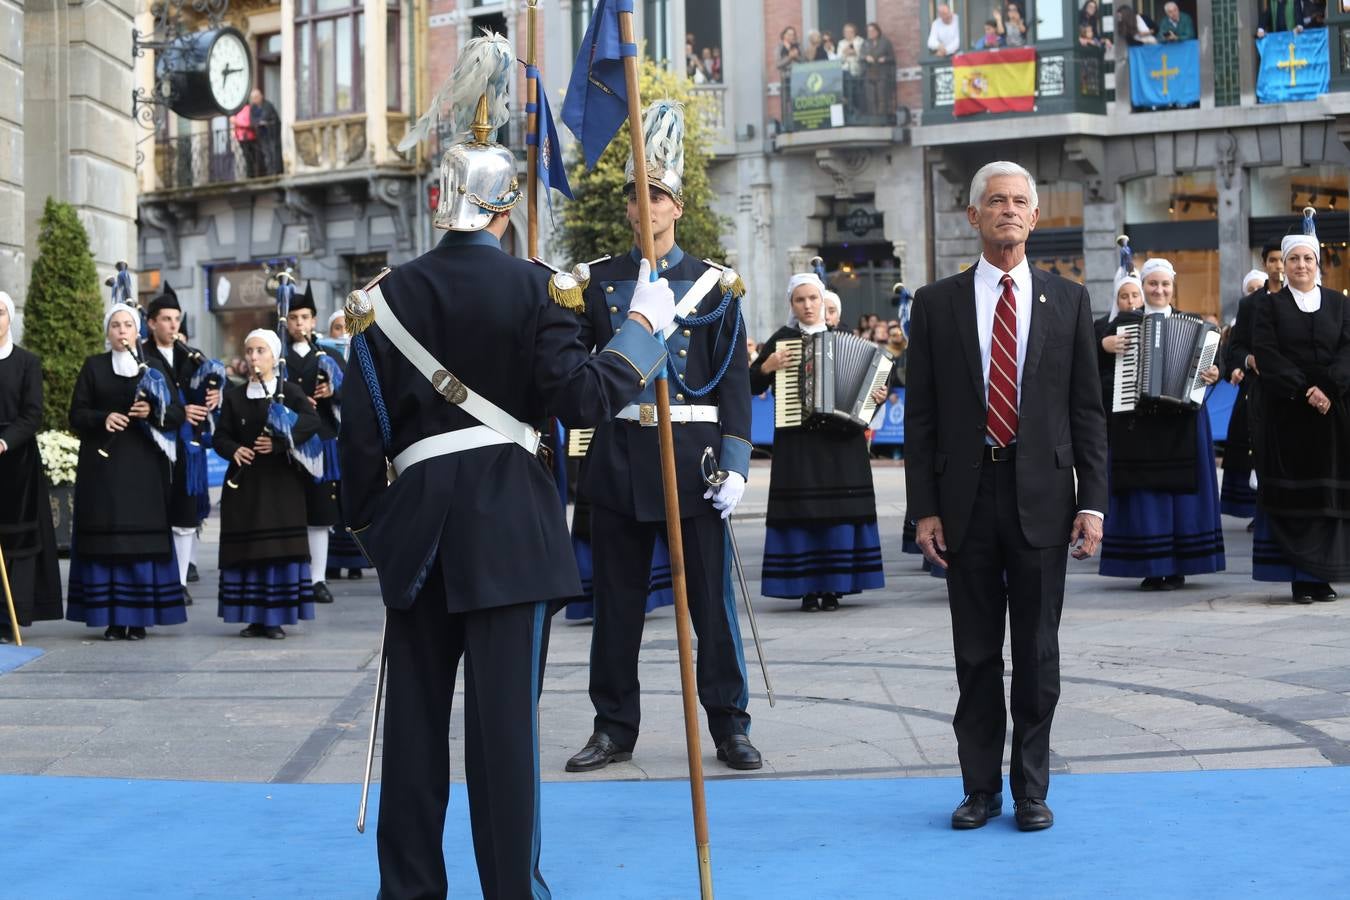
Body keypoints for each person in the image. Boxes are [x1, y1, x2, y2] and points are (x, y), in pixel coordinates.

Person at [338, 34, 674, 899]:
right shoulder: (540, 289)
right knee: (503, 745)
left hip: (416, 540)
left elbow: (359, 444)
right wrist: (642, 331)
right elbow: (583, 401)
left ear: (440, 203)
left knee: (415, 736)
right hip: (512, 542)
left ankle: (409, 890)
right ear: (500, 210)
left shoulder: (380, 301)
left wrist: (382, 529)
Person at [905, 160, 1109, 832]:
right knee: (975, 655)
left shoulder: (1069, 300)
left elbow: (1087, 411)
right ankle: (978, 789)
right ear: (974, 216)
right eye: (996, 201)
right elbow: (923, 416)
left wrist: (1093, 501)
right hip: (966, 498)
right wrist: (923, 507)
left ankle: (1030, 789)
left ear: (1036, 216)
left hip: (1045, 497)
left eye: (1021, 201)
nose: (1009, 211)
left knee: (1038, 653)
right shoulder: (936, 305)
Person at [565, 101, 760, 775]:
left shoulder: (714, 286)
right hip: (619, 460)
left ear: (676, 206)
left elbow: (733, 383)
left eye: (661, 197)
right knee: (614, 608)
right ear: (628, 209)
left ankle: (730, 724)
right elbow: (577, 374)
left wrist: (736, 463)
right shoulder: (596, 284)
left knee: (712, 609)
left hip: (693, 463)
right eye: (639, 197)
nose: (649, 208)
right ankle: (613, 727)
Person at [751, 274, 887, 612]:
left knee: (838, 511)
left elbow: (866, 397)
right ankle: (806, 588)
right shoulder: (782, 340)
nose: (808, 305)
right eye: (801, 300)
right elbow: (750, 386)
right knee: (802, 512)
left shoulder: (844, 338)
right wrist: (767, 366)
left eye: (813, 298)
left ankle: (835, 587)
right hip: (798, 442)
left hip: (842, 443)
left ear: (823, 302)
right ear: (792, 305)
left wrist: (877, 398)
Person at [1098, 258, 1224, 590]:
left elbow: (1213, 363)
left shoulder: (1195, 323)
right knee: (1145, 494)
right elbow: (1093, 370)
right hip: (1139, 425)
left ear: (1173, 287)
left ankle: (1182, 564)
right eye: (1152, 284)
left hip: (1183, 422)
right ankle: (1152, 566)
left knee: (1181, 494)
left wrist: (1214, 372)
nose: (1159, 290)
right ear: (1143, 287)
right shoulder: (1123, 324)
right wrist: (1103, 346)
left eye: (1165, 284)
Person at [66, 304, 188, 640]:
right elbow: (76, 414)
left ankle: (139, 619)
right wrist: (102, 418)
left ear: (138, 332)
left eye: (128, 326)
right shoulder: (94, 367)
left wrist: (152, 410)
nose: (122, 332)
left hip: (143, 468)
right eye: (116, 326)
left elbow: (178, 413)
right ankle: (113, 619)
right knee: (107, 545)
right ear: (108, 332)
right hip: (102, 467)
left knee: (140, 543)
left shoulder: (153, 369)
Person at [1250, 230, 1350, 601]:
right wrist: (1305, 389)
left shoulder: (1339, 304)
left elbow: (1347, 350)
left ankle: (1324, 575)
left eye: (1308, 259)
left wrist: (1330, 388)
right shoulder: (1269, 306)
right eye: (1294, 259)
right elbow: (1267, 353)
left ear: (1317, 263)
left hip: (1333, 413)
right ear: (1283, 266)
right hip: (1288, 412)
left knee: (1327, 496)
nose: (1301, 265)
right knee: (1297, 498)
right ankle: (1299, 578)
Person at [214, 329, 321, 638]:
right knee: (248, 550)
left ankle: (275, 618)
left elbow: (312, 422)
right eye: (249, 351)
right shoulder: (234, 397)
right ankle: (253, 617)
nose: (253, 357)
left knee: (277, 548)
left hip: (281, 485)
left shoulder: (288, 391)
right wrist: (235, 450)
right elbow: (220, 436)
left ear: (275, 357)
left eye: (261, 351)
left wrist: (279, 444)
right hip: (245, 485)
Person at [142, 284, 219, 606]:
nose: (174, 326)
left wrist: (216, 396)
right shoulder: (142, 356)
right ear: (151, 323)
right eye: (166, 319)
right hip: (154, 448)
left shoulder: (191, 356)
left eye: (176, 319)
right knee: (156, 514)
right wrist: (178, 411)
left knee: (186, 517)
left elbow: (207, 387)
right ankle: (155, 580)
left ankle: (180, 580)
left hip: (188, 447)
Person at [0, 291, 63, 642]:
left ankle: (14, 612)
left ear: (10, 318)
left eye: (0, 313)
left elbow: (32, 412)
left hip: (17, 458)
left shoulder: (27, 362)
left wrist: (5, 440)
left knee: (17, 540)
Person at [283, 283, 345, 601]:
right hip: (285, 445)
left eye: (304, 317)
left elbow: (354, 394)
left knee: (320, 513)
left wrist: (333, 393)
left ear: (313, 320)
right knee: (289, 512)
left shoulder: (329, 355)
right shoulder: (276, 356)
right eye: (293, 318)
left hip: (321, 440)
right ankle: (291, 578)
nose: (299, 324)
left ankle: (317, 579)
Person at [1222, 248, 1282, 522]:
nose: (1279, 265)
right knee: (1258, 449)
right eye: (1274, 260)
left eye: (1285, 259)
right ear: (1265, 263)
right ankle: (1261, 509)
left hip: (1293, 391)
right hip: (1257, 391)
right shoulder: (1249, 306)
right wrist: (1247, 360)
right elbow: (1235, 348)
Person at [862, 22, 896, 118]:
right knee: (870, 97)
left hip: (882, 72)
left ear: (877, 31)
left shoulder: (885, 42)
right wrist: (866, 57)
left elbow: (892, 58)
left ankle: (882, 117)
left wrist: (884, 59)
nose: (871, 33)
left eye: (872, 30)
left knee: (882, 96)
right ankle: (873, 117)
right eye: (869, 31)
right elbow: (861, 56)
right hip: (869, 73)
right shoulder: (865, 43)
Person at [249, 88, 282, 176]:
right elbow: (253, 121)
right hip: (263, 134)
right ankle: (270, 172)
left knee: (274, 152)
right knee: (266, 153)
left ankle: (276, 172)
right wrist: (258, 122)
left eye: (256, 97)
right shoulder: (253, 108)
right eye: (253, 98)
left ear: (261, 96)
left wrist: (260, 121)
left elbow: (265, 116)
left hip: (272, 133)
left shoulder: (268, 105)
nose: (255, 99)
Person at [777, 26, 802, 112]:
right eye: (789, 34)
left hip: (798, 77)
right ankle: (787, 122)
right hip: (786, 78)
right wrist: (789, 57)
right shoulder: (779, 48)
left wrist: (796, 57)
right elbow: (778, 64)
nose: (791, 36)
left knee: (798, 99)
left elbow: (804, 60)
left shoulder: (798, 46)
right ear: (784, 35)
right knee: (786, 101)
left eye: (793, 34)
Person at [231, 102, 258, 178]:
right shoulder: (238, 110)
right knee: (247, 158)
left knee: (250, 158)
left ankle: (251, 175)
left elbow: (248, 123)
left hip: (249, 137)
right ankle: (250, 175)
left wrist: (236, 122)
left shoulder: (248, 109)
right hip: (241, 137)